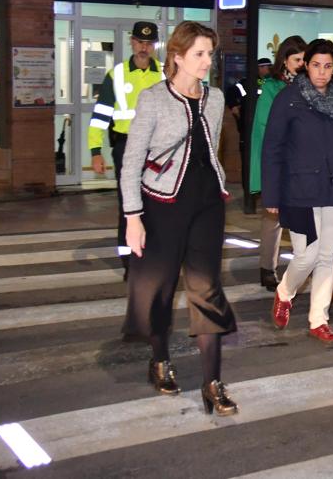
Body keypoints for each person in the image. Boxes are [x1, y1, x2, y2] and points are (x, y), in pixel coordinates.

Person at [119, 21, 238, 415]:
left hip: (207, 205)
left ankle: (212, 383)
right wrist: (133, 217)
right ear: (178, 56)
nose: (207, 62)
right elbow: (132, 162)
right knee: (159, 288)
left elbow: (211, 149)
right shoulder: (153, 99)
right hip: (162, 205)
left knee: (206, 288)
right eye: (200, 54)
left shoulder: (216, 98)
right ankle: (159, 360)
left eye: (210, 54)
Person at [262, 39, 333, 349]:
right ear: (306, 65)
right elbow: (272, 148)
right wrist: (272, 196)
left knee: (327, 256)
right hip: (299, 190)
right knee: (306, 255)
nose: (321, 72)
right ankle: (285, 291)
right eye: (316, 65)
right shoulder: (289, 99)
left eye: (327, 66)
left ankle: (319, 319)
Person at [89, 21, 164, 281]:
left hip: (157, 150)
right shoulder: (117, 75)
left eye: (148, 43)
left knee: (157, 207)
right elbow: (100, 116)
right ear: (131, 42)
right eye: (139, 42)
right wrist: (95, 150)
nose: (144, 48)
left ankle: (152, 258)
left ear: (154, 46)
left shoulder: (165, 75)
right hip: (126, 148)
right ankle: (130, 263)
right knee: (129, 207)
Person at [249, 39, 306, 290]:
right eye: (297, 60)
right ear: (284, 60)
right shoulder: (272, 88)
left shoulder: (308, 85)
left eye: (305, 60)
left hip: (302, 163)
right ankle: (267, 268)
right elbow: (264, 132)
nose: (302, 65)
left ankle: (303, 266)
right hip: (279, 163)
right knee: (273, 219)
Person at [225, 58, 272, 182]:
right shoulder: (247, 83)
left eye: (269, 67)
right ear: (259, 68)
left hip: (267, 130)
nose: (267, 69)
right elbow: (231, 93)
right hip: (249, 130)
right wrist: (233, 106)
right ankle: (250, 193)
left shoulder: (273, 83)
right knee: (249, 163)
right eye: (264, 67)